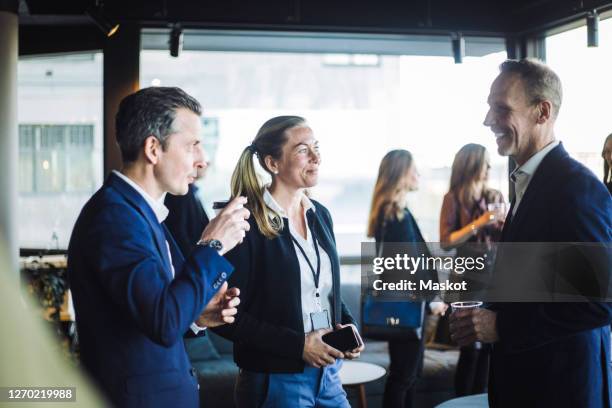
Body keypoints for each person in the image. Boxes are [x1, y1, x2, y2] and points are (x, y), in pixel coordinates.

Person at [67, 87, 250, 408]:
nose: (202, 161)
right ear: (153, 148)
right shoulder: (115, 217)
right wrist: (213, 244)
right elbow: (163, 322)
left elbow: (160, 311)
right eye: (193, 145)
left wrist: (197, 316)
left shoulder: (141, 214)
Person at [449, 59, 612, 407]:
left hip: (561, 389)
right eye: (490, 108)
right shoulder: (529, 182)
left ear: (542, 112)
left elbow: (600, 301)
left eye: (501, 108)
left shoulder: (576, 189)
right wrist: (486, 314)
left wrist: (502, 325)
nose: (488, 120)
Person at [213, 116, 364, 408]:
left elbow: (324, 292)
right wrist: (299, 346)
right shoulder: (245, 222)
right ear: (273, 163)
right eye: (303, 150)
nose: (316, 157)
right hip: (275, 380)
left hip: (328, 374)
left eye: (316, 147)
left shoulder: (320, 214)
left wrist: (349, 327)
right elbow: (222, 316)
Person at [366, 149, 446, 408]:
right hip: (408, 304)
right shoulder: (395, 214)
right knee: (404, 376)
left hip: (407, 303)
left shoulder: (393, 211)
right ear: (401, 172)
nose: (418, 174)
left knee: (407, 375)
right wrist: (431, 298)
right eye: (414, 168)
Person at [439, 143, 505, 396]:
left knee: (490, 350)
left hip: (493, 279)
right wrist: (479, 223)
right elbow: (446, 242)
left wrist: (505, 227)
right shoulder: (453, 198)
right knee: (470, 349)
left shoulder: (495, 196)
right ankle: (463, 402)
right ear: (471, 165)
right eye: (484, 162)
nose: (489, 167)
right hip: (466, 279)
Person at [164, 151, 211, 257]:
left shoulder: (192, 192)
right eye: (206, 163)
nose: (206, 165)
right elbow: (179, 233)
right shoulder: (182, 193)